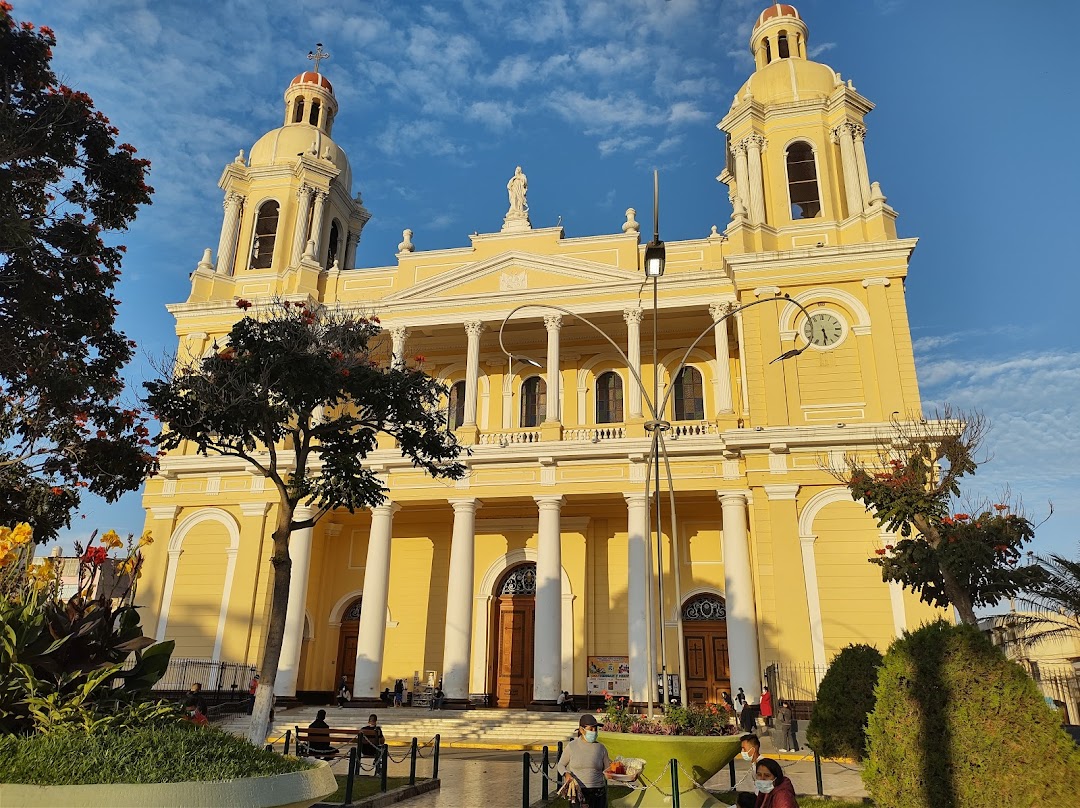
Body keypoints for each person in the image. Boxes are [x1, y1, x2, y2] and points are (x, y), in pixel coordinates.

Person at [556, 714, 611, 808]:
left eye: (595, 729)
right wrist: (566, 774)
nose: (594, 732)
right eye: (591, 729)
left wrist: (620, 770)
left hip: (598, 792)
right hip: (578, 791)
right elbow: (561, 765)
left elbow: (608, 770)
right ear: (581, 730)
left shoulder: (601, 748)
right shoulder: (572, 746)